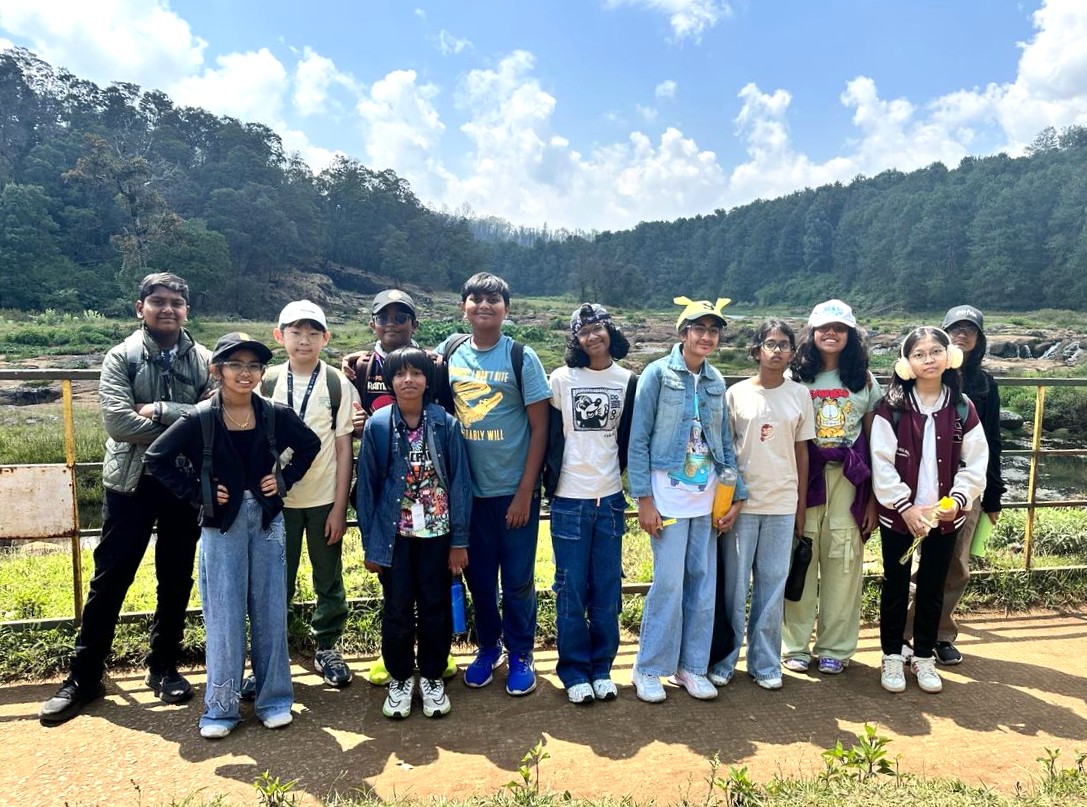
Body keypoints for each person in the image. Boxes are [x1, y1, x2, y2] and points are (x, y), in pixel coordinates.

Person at [38, 272, 212, 727]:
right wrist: (185, 424)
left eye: (176, 302)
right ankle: (84, 677)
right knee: (110, 578)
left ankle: (164, 666)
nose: (168, 309)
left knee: (175, 578)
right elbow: (118, 423)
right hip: (129, 484)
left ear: (186, 310)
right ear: (141, 308)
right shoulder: (121, 357)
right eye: (158, 301)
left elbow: (213, 419)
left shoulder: (207, 361)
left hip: (182, 483)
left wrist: (156, 411)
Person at [145, 333, 320, 738]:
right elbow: (157, 458)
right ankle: (220, 709)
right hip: (220, 525)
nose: (245, 373)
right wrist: (198, 493)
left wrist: (284, 478)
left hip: (266, 522)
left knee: (271, 608)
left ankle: (274, 699)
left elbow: (310, 445)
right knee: (223, 615)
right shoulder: (200, 417)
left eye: (253, 366)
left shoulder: (274, 414)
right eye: (235, 365)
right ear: (217, 370)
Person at [628, 296, 747, 703]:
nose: (707, 336)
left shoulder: (715, 381)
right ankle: (647, 667)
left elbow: (725, 445)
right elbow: (639, 438)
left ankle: (691, 667)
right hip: (667, 499)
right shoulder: (657, 375)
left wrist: (738, 498)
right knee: (668, 584)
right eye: (700, 329)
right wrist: (643, 498)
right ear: (683, 333)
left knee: (702, 583)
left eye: (714, 330)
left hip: (708, 499)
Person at [437, 272, 550, 697]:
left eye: (493, 300)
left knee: (518, 579)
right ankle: (489, 647)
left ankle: (522, 652)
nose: (484, 305)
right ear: (464, 306)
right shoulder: (450, 353)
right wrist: (358, 358)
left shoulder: (522, 357)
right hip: (468, 494)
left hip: (513, 491)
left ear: (506, 309)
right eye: (476, 298)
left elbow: (540, 428)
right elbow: (404, 364)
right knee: (479, 579)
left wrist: (525, 492)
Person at [339, 289, 457, 685]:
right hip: (386, 494)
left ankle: (434, 660)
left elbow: (446, 419)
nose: (392, 324)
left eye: (400, 317)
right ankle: (396, 661)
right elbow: (351, 418)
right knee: (395, 589)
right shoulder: (357, 365)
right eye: (384, 317)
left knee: (433, 589)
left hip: (432, 502)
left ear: (414, 324)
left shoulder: (435, 365)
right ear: (372, 323)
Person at [871, 326, 988, 694]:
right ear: (906, 363)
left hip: (944, 515)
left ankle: (923, 654)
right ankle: (891, 654)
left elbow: (976, 462)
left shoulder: (961, 408)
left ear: (948, 357)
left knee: (933, 586)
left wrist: (955, 500)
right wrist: (904, 507)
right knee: (894, 584)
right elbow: (882, 463)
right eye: (919, 354)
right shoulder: (890, 409)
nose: (928, 360)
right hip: (900, 515)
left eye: (935, 351)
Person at [357, 347, 472, 719]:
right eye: (400, 374)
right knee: (397, 607)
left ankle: (433, 676)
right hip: (396, 537)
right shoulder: (378, 425)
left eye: (417, 373)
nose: (409, 380)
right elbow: (368, 490)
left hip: (437, 534)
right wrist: (372, 546)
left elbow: (459, 484)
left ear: (428, 379)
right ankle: (401, 676)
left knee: (435, 605)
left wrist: (459, 541)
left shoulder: (445, 423)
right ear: (389, 381)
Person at [708, 320, 813, 691]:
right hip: (742, 506)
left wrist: (800, 506)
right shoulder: (735, 394)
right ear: (756, 351)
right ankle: (724, 659)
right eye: (770, 343)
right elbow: (723, 450)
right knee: (734, 587)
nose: (777, 350)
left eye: (785, 344)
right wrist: (727, 500)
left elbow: (802, 452)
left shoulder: (800, 396)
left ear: (792, 352)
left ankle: (766, 662)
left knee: (771, 585)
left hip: (782, 504)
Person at [782, 299, 881, 676]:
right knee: (800, 559)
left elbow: (874, 445)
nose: (831, 333)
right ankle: (794, 644)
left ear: (851, 335)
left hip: (848, 480)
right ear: (812, 332)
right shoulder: (794, 378)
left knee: (843, 562)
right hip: (803, 477)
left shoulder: (865, 380)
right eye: (824, 327)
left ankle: (835, 647)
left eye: (840, 328)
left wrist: (872, 500)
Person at [544, 303, 636, 704]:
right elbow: (549, 436)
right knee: (570, 586)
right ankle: (573, 669)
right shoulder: (562, 378)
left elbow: (630, 438)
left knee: (606, 585)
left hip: (611, 497)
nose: (593, 337)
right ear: (576, 339)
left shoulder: (628, 380)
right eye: (584, 331)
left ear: (611, 332)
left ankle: (602, 667)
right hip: (568, 498)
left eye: (599, 328)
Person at [904, 305, 1005, 665]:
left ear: (978, 340)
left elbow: (990, 441)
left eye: (970, 330)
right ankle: (906, 633)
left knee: (956, 564)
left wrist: (992, 493)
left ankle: (940, 633)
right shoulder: (921, 375)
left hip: (965, 486)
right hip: (920, 486)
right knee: (915, 562)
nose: (962, 335)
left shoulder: (983, 385)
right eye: (955, 329)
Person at [265, 300, 359, 687]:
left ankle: (327, 646)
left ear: (326, 338)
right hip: (277, 503)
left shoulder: (337, 383)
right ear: (279, 335)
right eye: (295, 332)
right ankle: (273, 653)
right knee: (275, 581)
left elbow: (343, 449)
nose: (304, 340)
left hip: (322, 500)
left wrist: (340, 507)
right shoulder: (265, 380)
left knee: (328, 578)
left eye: (312, 333)